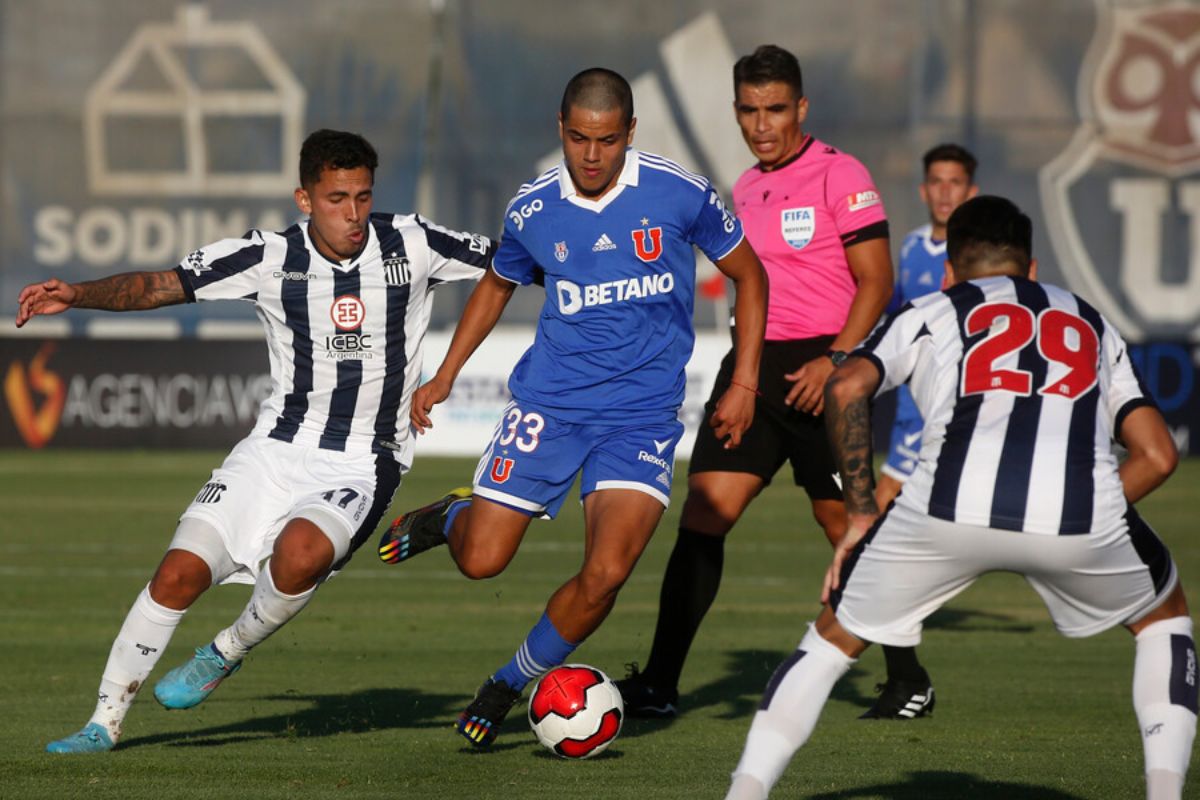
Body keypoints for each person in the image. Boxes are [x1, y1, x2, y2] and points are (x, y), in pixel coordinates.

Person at [19, 129, 495, 753]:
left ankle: (225, 651)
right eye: (335, 198)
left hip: (363, 461)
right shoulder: (266, 256)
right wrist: (78, 294)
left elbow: (511, 261)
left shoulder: (413, 241)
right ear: (304, 198)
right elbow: (163, 285)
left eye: (362, 196)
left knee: (300, 555)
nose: (352, 213)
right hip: (272, 450)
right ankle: (102, 724)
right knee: (177, 575)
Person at [724, 195, 1195, 800]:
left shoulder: (933, 309)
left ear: (950, 270)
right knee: (1165, 621)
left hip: (944, 509)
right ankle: (1164, 791)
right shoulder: (1090, 319)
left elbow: (844, 384)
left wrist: (862, 514)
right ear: (1032, 267)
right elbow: (1157, 455)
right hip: (1080, 516)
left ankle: (745, 792)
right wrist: (1087, 506)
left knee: (831, 640)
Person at [375, 67, 768, 747]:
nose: (592, 156)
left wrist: (744, 383)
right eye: (580, 139)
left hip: (641, 420)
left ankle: (507, 681)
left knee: (608, 572)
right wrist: (444, 376)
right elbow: (497, 286)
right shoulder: (533, 208)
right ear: (561, 129)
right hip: (551, 408)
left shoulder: (679, 193)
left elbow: (749, 274)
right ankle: (455, 514)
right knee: (482, 562)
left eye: (608, 140)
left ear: (630, 133)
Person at [617, 43, 932, 721]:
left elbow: (877, 281)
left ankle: (909, 677)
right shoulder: (746, 187)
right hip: (755, 372)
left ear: (802, 108)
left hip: (829, 371)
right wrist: (743, 376)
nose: (763, 125)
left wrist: (840, 360)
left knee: (846, 525)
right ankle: (661, 683)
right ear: (736, 110)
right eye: (750, 111)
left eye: (776, 110)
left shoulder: (839, 174)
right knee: (704, 515)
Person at [875, 143, 978, 510]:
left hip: (958, 395)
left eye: (955, 182)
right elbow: (897, 310)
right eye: (937, 182)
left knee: (885, 500)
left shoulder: (982, 254)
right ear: (924, 190)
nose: (945, 191)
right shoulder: (911, 246)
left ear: (971, 192)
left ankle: (858, 567)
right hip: (913, 399)